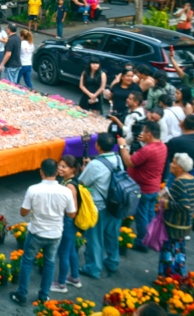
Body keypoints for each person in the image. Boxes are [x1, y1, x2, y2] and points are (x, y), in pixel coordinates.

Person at [10, 159, 75, 306]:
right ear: (57, 172)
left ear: (41, 172)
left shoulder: (33, 189)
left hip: (36, 233)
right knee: (49, 264)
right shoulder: (66, 191)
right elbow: (71, 214)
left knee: (27, 262)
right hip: (55, 234)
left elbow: (23, 212)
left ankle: (21, 294)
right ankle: (43, 295)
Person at [117, 122, 167, 252]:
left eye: (144, 132)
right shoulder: (162, 146)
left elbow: (129, 161)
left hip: (143, 189)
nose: (141, 134)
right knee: (149, 214)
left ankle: (142, 242)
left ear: (149, 134)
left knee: (142, 216)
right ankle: (150, 238)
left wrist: (122, 145)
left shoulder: (148, 150)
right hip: (154, 187)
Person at [78, 133, 121, 279]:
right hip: (116, 204)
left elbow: (82, 183)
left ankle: (93, 268)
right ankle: (112, 261)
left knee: (95, 238)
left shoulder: (95, 165)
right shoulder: (118, 158)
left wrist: (85, 170)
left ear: (98, 146)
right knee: (112, 234)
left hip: (99, 207)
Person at [158, 153, 194, 277]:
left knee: (169, 250)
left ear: (180, 167)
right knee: (179, 250)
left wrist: (166, 203)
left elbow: (185, 206)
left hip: (175, 224)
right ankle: (178, 274)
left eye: (174, 163)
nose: (170, 164)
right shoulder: (191, 179)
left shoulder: (180, 182)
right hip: (185, 224)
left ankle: (167, 277)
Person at [50, 156, 82, 293]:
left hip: (68, 222)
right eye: (59, 165)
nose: (60, 169)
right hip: (71, 223)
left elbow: (72, 211)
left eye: (64, 167)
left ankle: (61, 283)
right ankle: (74, 277)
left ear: (73, 169)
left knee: (63, 252)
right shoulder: (69, 181)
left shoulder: (69, 186)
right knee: (71, 250)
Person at [166, 114, 194, 190]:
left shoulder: (175, 141)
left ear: (183, 124)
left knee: (172, 198)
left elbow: (170, 158)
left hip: (179, 177)